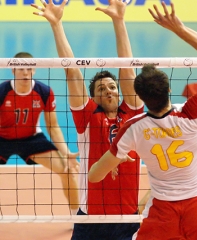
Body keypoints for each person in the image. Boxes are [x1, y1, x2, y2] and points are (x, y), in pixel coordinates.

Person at [88, 2, 197, 240]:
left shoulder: (132, 129)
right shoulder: (192, 114)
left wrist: (119, 157)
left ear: (141, 97)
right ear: (168, 89)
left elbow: (94, 176)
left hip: (162, 211)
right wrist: (179, 29)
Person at [31, 0, 143, 239]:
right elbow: (72, 71)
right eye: (102, 89)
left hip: (127, 218)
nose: (109, 90)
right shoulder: (88, 117)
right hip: (90, 218)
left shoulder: (132, 114)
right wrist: (57, 24)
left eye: (112, 87)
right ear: (93, 98)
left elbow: (128, 71)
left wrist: (119, 20)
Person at [0, 52, 79, 213]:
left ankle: (76, 218)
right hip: (2, 139)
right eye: (20, 68)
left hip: (31, 139)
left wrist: (66, 153)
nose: (25, 72)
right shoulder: (2, 92)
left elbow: (53, 126)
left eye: (29, 68)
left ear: (34, 70)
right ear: (12, 70)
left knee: (67, 171)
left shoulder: (44, 91)